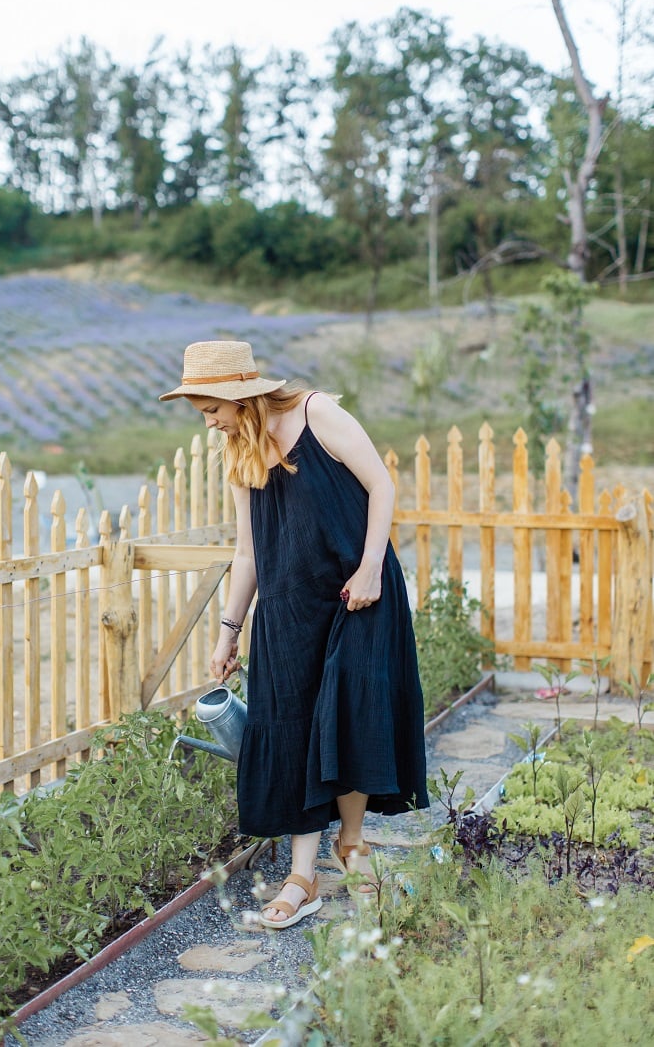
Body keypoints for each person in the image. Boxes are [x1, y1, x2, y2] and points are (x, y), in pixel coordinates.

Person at [160, 340, 428, 929]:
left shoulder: (316, 414)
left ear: (239, 395)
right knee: (292, 731)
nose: (208, 423)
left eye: (211, 409)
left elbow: (381, 486)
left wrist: (371, 568)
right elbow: (248, 550)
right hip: (287, 609)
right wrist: (229, 631)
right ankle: (301, 876)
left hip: (359, 596)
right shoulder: (238, 452)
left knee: (354, 718)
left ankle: (352, 844)